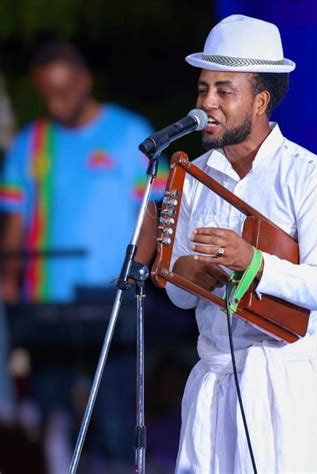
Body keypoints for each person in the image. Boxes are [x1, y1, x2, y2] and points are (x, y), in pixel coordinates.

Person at [137, 14, 317, 473]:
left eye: (224, 91)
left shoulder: (310, 176)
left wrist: (252, 261)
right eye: (203, 90)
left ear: (260, 101)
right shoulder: (192, 176)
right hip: (215, 381)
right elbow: (180, 296)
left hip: (291, 390)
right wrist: (184, 273)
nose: (207, 103)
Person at [0, 41, 166, 473]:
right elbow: (15, 220)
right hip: (46, 304)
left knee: (114, 421)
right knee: (48, 420)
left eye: (65, 92)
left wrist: (137, 277)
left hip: (112, 300)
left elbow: (151, 214)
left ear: (85, 81)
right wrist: (8, 281)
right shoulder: (29, 144)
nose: (56, 103)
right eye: (47, 94)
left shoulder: (131, 135)